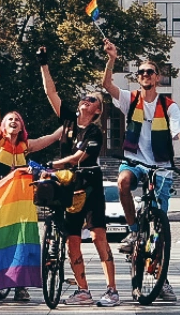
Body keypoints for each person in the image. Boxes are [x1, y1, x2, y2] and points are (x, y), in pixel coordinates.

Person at [100, 40, 180, 304]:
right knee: (123, 182)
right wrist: (111, 59)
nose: (144, 75)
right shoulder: (130, 99)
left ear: (158, 77)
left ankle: (162, 278)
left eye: (149, 72)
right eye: (141, 72)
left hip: (161, 165)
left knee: (160, 229)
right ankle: (133, 230)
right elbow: (107, 85)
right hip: (134, 160)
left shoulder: (169, 105)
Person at [39, 45, 119, 307]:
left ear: (97, 111)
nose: (87, 99)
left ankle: (112, 289)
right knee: (72, 239)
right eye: (85, 97)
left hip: (89, 184)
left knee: (98, 235)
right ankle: (83, 290)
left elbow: (78, 158)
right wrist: (44, 64)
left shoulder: (94, 132)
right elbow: (50, 93)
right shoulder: (69, 122)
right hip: (69, 185)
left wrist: (53, 163)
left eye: (93, 100)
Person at [0, 65, 63, 302]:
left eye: (17, 119)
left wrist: (72, 121)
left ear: (22, 125)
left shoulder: (26, 146)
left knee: (22, 241)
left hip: (19, 204)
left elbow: (52, 138)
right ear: (3, 126)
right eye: (10, 119)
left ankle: (20, 286)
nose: (13, 121)